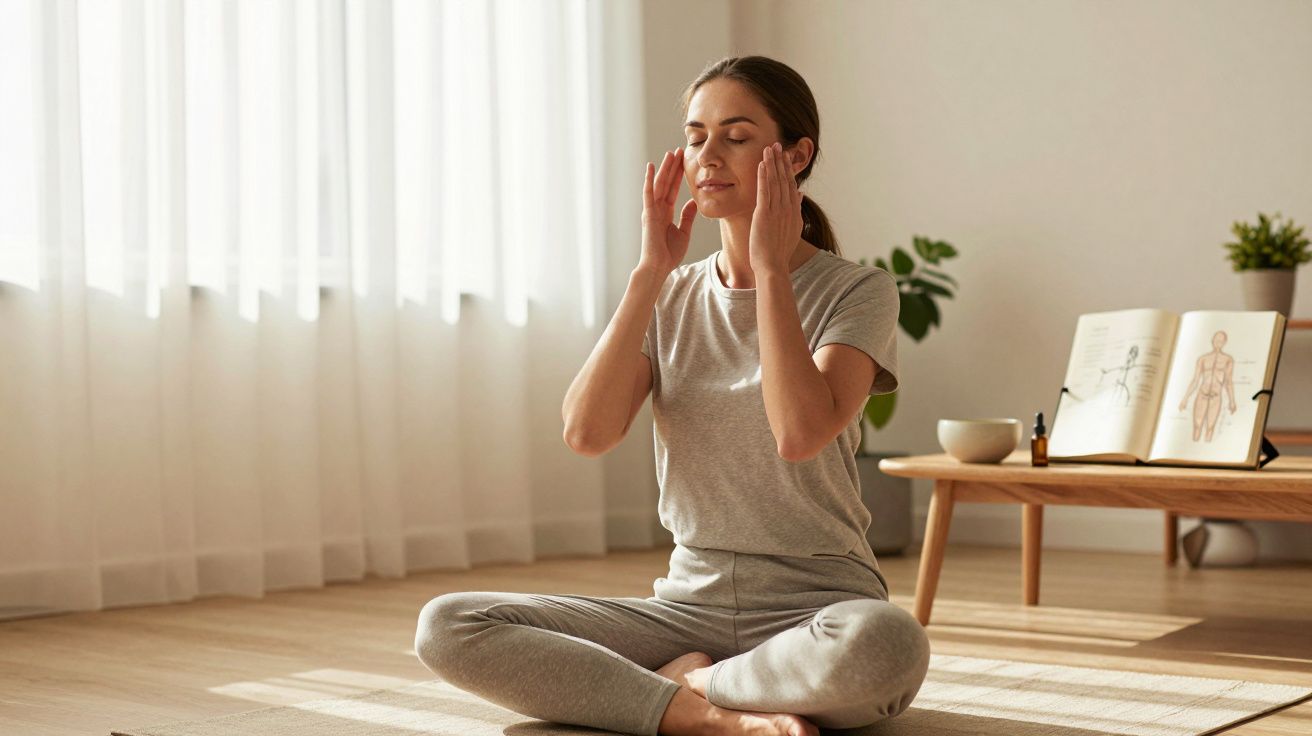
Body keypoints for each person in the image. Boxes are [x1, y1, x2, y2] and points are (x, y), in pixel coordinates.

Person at [414, 55, 930, 736]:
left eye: (736, 136)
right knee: (449, 625)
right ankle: (713, 715)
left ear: (797, 154)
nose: (707, 156)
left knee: (887, 647)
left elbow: (799, 433)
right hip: (688, 604)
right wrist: (649, 273)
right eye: (695, 136)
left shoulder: (858, 292)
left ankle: (688, 683)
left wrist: (771, 267)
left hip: (821, 607)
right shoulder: (674, 294)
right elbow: (587, 433)